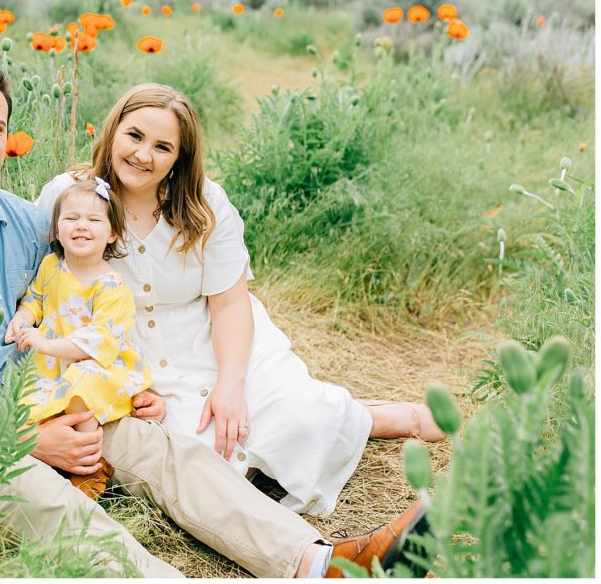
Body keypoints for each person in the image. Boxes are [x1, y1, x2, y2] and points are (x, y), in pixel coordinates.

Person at [0, 65, 427, 578]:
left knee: (167, 452)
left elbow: (84, 304)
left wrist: (126, 384)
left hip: (48, 396)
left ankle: (319, 563)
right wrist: (31, 438)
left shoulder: (25, 222)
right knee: (57, 505)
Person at [35, 82, 445, 519]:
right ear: (113, 130)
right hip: (123, 351)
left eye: (162, 147)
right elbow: (45, 289)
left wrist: (230, 384)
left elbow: (230, 304)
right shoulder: (67, 195)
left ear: (179, 159)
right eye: (134, 136)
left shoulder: (204, 202)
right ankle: (344, 417)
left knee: (298, 417)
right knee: (203, 462)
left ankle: (366, 417)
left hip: (211, 336)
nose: (142, 155)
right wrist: (125, 380)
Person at [5, 178, 151, 499]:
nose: (81, 226)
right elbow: (35, 299)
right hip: (54, 363)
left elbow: (99, 342)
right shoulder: (50, 267)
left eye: (94, 220)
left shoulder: (111, 286)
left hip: (101, 366)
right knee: (27, 397)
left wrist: (44, 344)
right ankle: (53, 458)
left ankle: (88, 463)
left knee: (81, 380)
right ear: (57, 229)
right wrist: (23, 318)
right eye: (71, 218)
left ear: (112, 233)